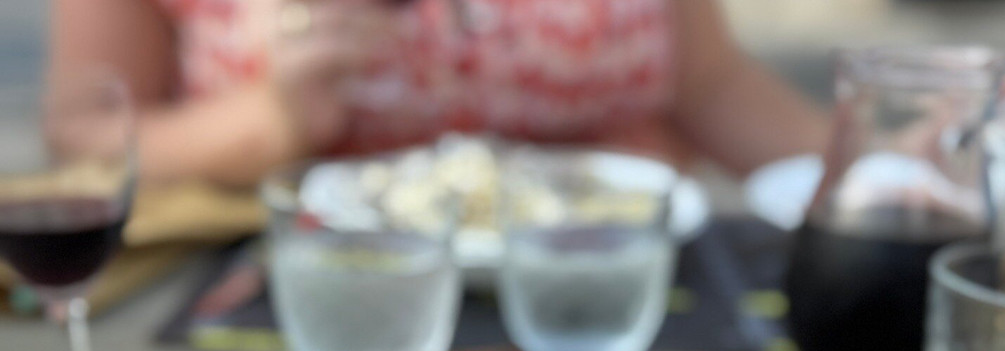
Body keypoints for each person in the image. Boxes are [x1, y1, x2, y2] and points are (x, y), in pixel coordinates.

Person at [50, 0, 830, 187]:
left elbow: (714, 87)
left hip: (608, 298)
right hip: (293, 302)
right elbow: (82, 131)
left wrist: (878, 169)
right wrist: (267, 120)